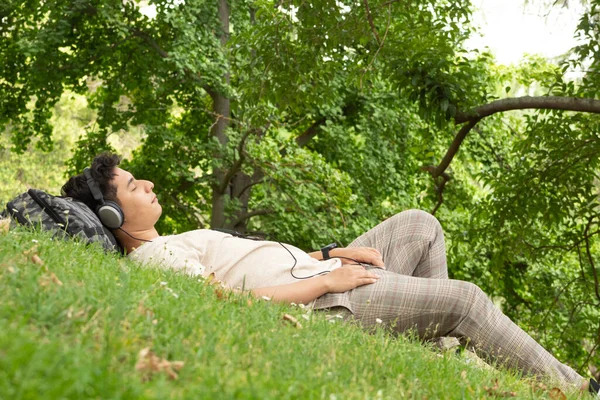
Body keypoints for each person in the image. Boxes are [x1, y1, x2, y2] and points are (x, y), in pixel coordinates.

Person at [62, 153, 599, 396]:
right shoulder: (153, 260)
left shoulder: (174, 241)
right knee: (466, 299)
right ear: (111, 216)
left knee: (420, 225)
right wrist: (323, 283)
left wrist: (329, 255)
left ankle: (434, 354)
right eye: (133, 186)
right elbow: (223, 301)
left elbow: (256, 264)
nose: (147, 183)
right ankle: (580, 391)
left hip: (317, 272)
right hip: (321, 304)